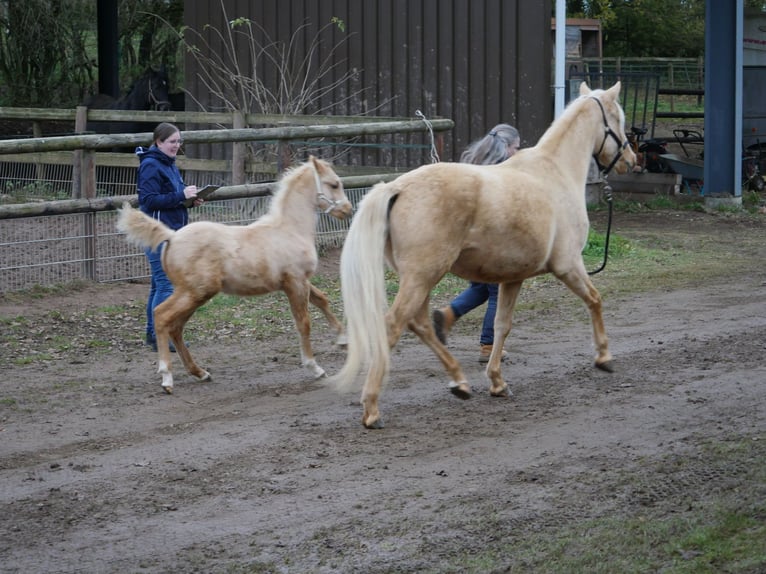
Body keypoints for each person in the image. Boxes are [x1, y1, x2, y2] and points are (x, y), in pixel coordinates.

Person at [432, 123, 521, 363]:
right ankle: (488, 345)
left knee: (479, 289)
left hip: (469, 242)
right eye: (516, 147)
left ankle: (448, 315)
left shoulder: (473, 165)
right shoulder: (501, 173)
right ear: (507, 147)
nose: (517, 153)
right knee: (497, 292)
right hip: (492, 243)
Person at [135, 122, 203, 352]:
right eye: (172, 141)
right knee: (165, 285)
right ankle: (162, 335)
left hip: (171, 231)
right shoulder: (151, 165)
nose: (177, 145)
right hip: (157, 232)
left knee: (158, 285)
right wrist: (180, 195)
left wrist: (189, 200)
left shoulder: (168, 164)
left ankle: (154, 335)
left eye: (179, 141)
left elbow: (171, 198)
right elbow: (149, 200)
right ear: (159, 142)